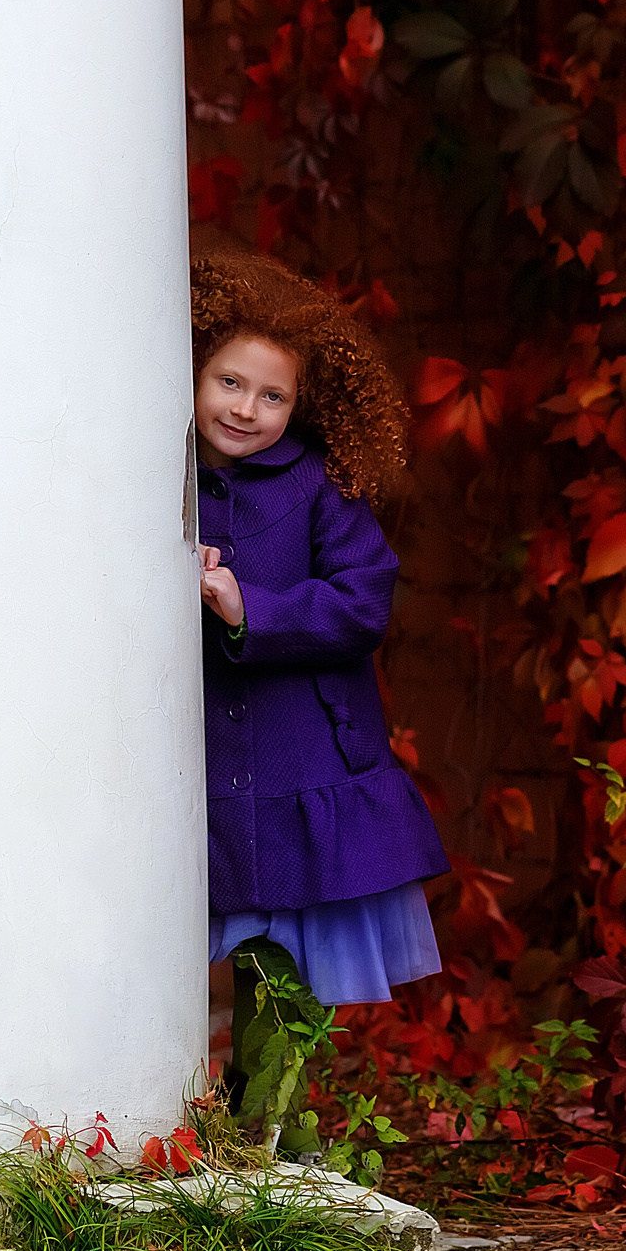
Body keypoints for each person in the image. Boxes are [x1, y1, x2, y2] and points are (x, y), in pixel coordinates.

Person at [188, 251, 449, 1147]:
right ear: (192, 370)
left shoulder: (318, 485)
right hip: (206, 760)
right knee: (203, 940)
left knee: (280, 951)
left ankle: (265, 1134)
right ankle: (206, 1126)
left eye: (272, 396)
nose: (244, 409)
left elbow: (362, 598)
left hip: (301, 755)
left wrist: (249, 607)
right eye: (228, 381)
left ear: (301, 405)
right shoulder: (155, 476)